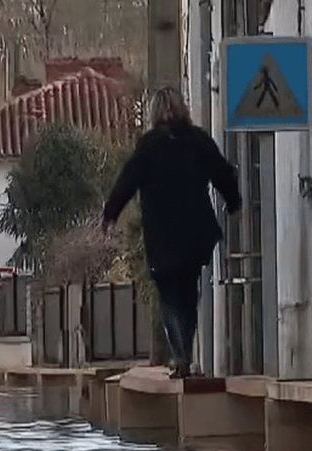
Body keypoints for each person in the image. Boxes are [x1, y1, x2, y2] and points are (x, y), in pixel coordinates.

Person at [102, 86, 241, 379]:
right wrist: (233, 202)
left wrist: (110, 215)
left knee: (168, 294)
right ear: (183, 108)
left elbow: (126, 181)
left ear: (154, 112)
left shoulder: (148, 145)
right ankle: (183, 357)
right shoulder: (198, 140)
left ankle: (181, 357)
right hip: (195, 232)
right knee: (189, 293)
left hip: (162, 233)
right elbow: (222, 172)